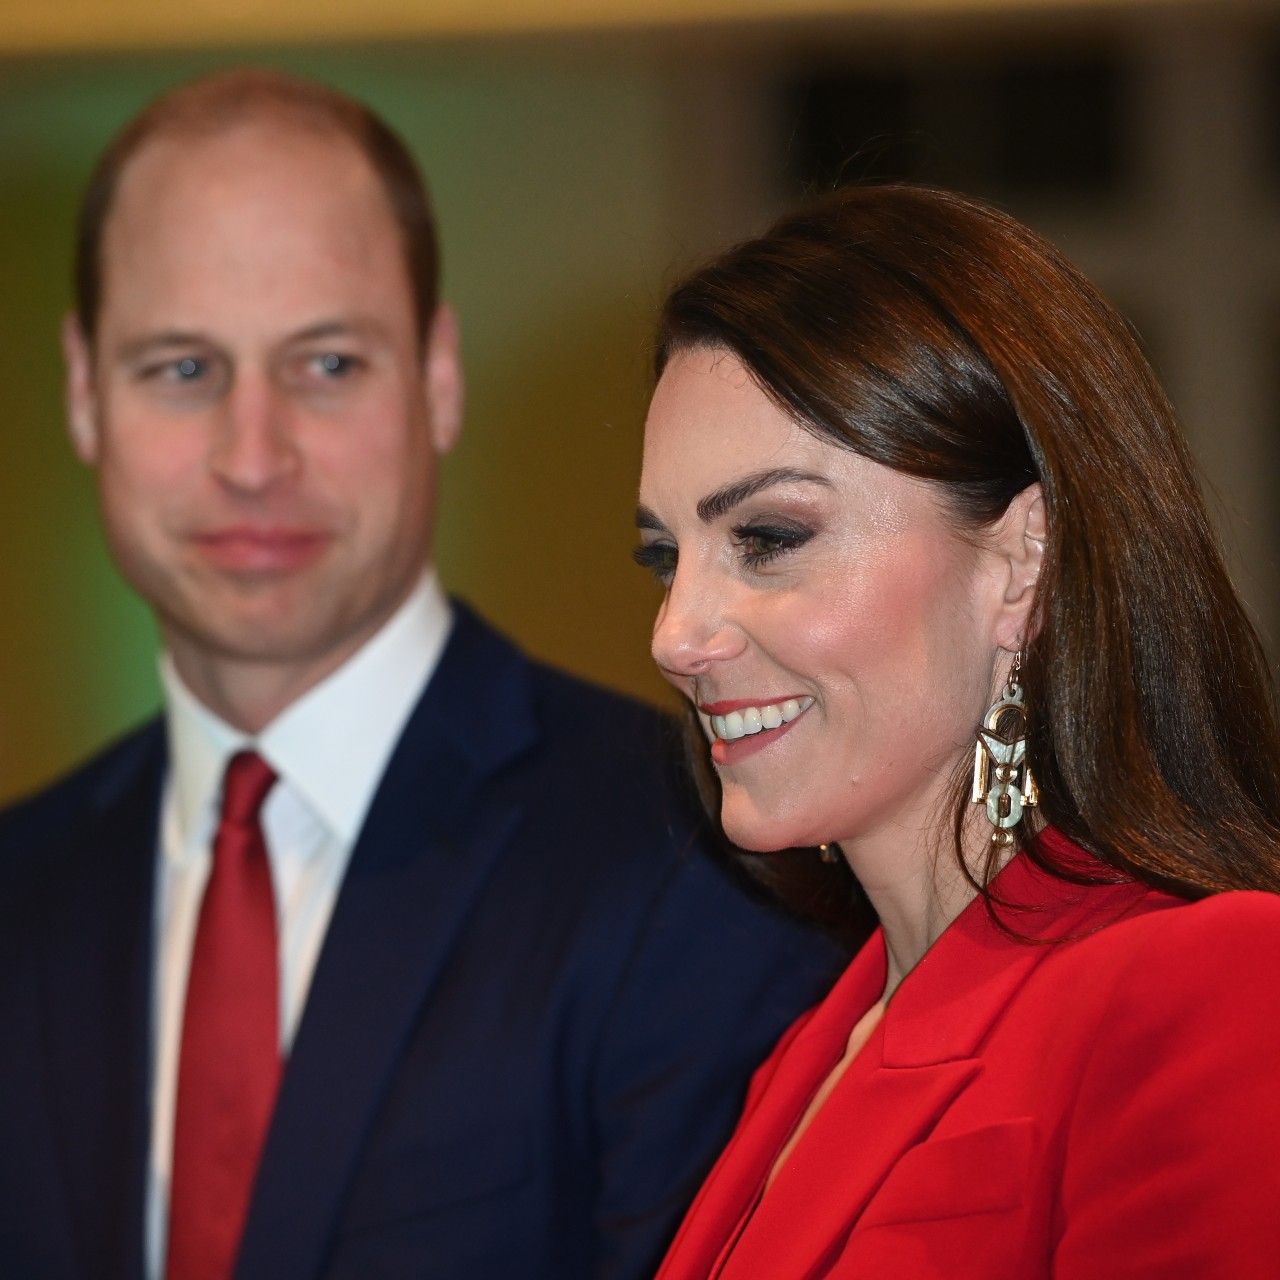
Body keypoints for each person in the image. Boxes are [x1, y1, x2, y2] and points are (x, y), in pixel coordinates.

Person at [0, 70, 843, 1280]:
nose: (253, 455)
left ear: (437, 376)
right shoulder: (18, 893)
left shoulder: (698, 853)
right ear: (85, 394)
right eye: (182, 369)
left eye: (327, 363)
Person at [635, 183, 1280, 1279]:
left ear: (1019, 560)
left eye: (768, 536)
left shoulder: (1206, 985)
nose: (673, 632)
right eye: (665, 556)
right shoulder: (811, 1046)